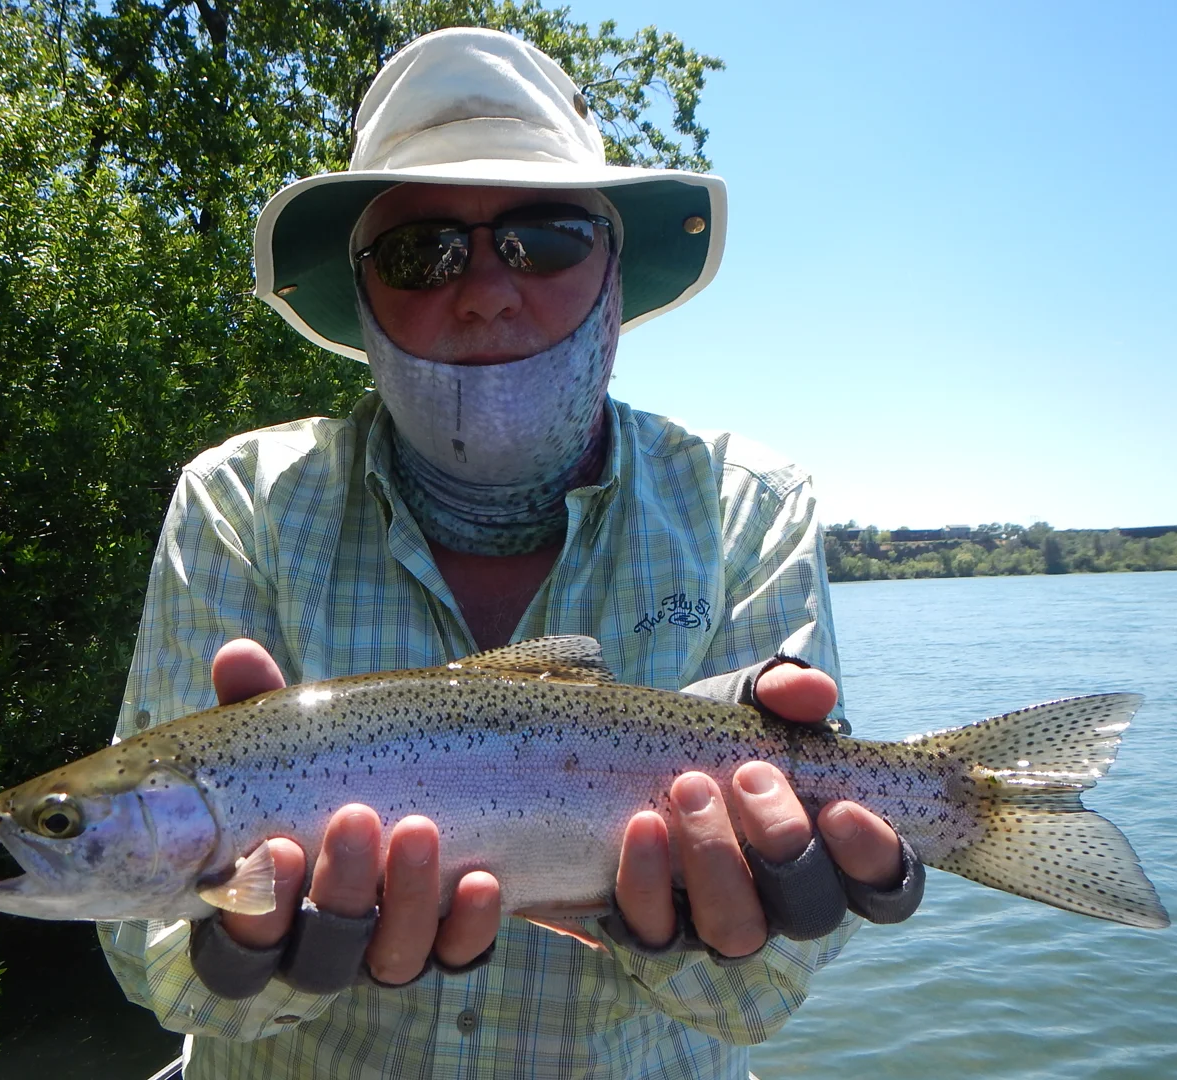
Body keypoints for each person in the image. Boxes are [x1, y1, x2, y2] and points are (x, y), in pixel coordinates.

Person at [99, 27, 923, 1079]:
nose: (486, 288)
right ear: (362, 300)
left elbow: (757, 1001)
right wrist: (243, 960)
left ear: (615, 276)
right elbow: (151, 951)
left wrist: (751, 922)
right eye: (421, 252)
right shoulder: (239, 502)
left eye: (547, 238)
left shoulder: (744, 506)